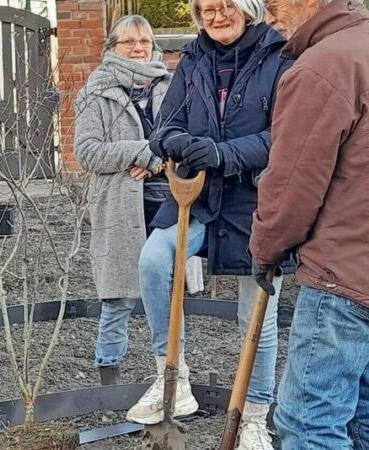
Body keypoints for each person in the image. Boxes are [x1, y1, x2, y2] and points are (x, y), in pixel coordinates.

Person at [125, 0, 292, 447]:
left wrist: (224, 154)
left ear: (248, 7)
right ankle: (171, 376)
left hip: (255, 205)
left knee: (257, 311)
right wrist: (182, 143)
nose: (217, 16)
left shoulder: (279, 57)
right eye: (207, 8)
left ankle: (255, 415)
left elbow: (285, 133)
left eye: (226, 6)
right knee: (155, 258)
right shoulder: (193, 58)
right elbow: (164, 127)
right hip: (199, 198)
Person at [252, 0, 369, 448]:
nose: (268, 17)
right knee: (362, 421)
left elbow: (291, 187)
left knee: (309, 423)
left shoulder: (322, 67)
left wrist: (266, 249)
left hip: (343, 278)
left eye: (274, 4)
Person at [74, 15, 173, 385]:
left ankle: (168, 374)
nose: (138, 48)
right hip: (119, 203)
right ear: (112, 48)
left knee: (167, 292)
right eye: (128, 42)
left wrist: (156, 161)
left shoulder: (172, 86)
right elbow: (87, 152)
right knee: (119, 295)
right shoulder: (95, 92)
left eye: (144, 41)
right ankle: (109, 371)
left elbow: (188, 140)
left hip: (170, 201)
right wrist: (145, 152)